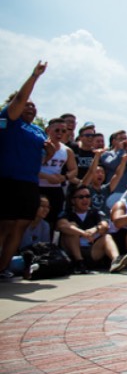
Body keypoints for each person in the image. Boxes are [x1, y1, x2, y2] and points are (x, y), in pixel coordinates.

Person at [0, 61, 52, 279]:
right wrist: (34, 76)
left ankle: (2, 269)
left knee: (19, 227)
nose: (30, 107)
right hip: (8, 181)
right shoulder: (8, 120)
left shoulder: (38, 131)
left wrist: (48, 153)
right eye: (26, 105)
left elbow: (40, 159)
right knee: (4, 226)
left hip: (30, 184)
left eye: (33, 105)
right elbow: (20, 99)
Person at [58, 184, 127, 274]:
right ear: (73, 200)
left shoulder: (94, 212)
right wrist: (82, 233)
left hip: (91, 251)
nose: (85, 199)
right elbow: (62, 226)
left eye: (87, 196)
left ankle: (116, 261)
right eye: (81, 197)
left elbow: (105, 225)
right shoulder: (67, 213)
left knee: (107, 237)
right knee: (71, 228)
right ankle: (79, 263)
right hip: (72, 252)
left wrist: (95, 229)